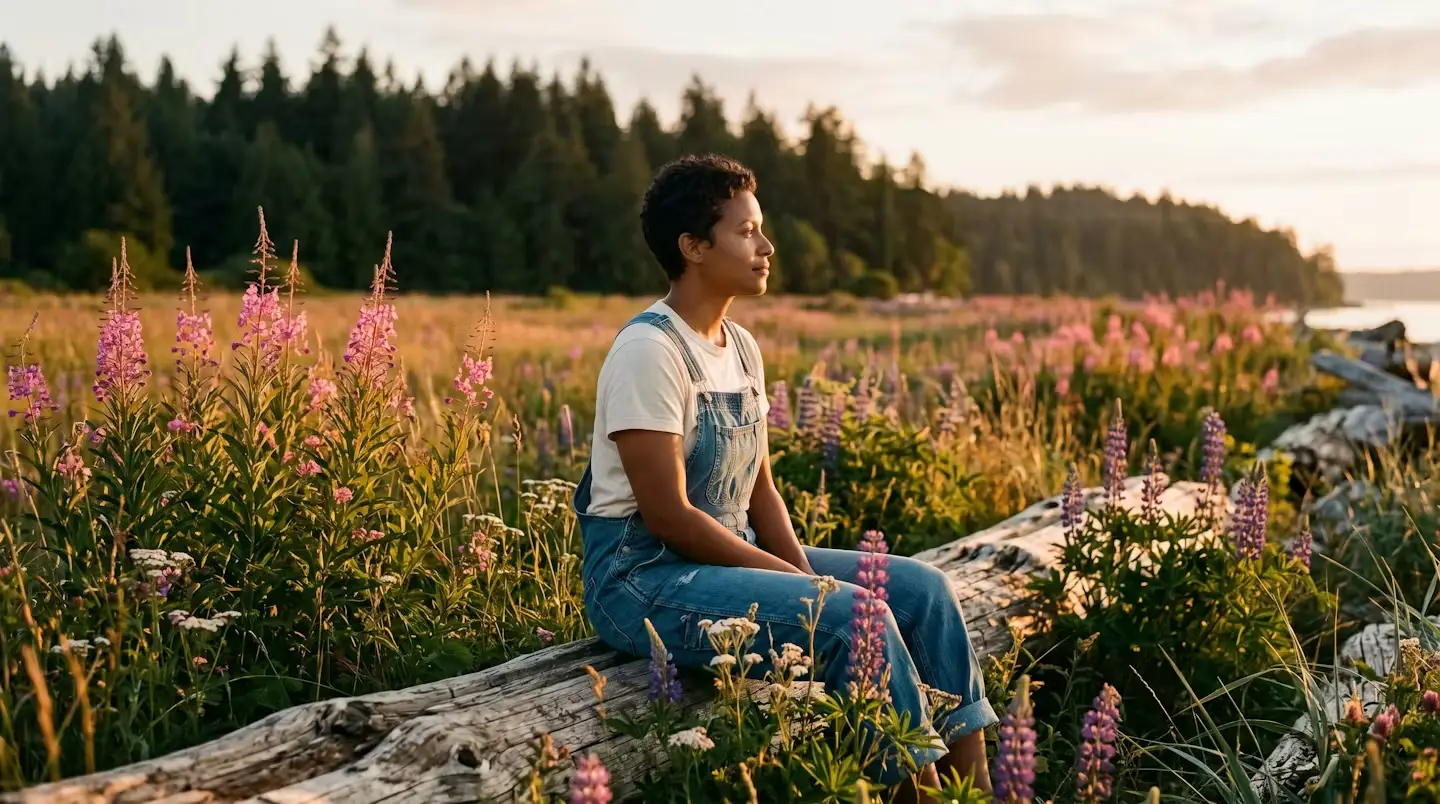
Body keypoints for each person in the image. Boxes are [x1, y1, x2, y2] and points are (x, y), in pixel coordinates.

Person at [571, 153, 997, 800]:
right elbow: (670, 518)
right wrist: (813, 590)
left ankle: (988, 793)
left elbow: (760, 489)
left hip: (726, 555)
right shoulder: (648, 352)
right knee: (860, 618)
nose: (766, 246)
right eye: (745, 232)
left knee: (924, 594)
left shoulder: (741, 347)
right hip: (642, 576)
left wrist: (808, 578)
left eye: (760, 229)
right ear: (692, 247)